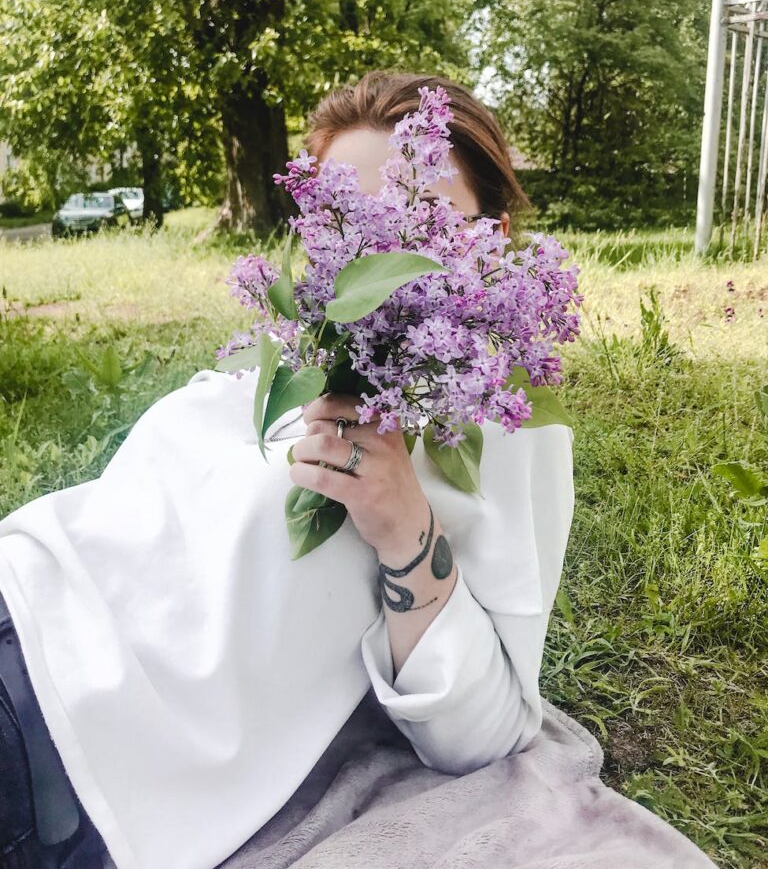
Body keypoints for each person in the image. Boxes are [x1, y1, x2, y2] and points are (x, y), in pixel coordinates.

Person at [0, 72, 716, 869]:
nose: (386, 267)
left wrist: (408, 534)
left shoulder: (500, 430)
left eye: (422, 226)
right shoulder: (282, 366)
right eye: (351, 233)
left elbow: (489, 730)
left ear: (494, 234)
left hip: (62, 736)